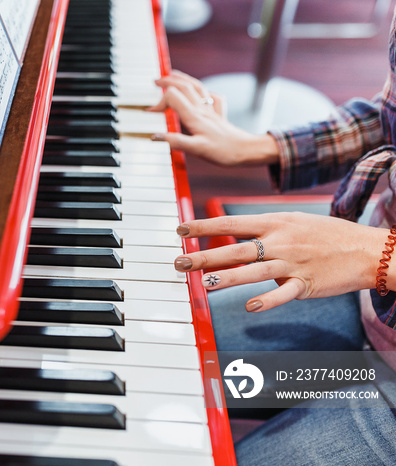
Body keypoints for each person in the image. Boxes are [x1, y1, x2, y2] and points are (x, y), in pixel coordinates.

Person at [147, 13, 396, 466]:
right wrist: (259, 146)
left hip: (375, 267)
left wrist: (375, 254)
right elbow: (391, 116)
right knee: (157, 360)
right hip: (370, 297)